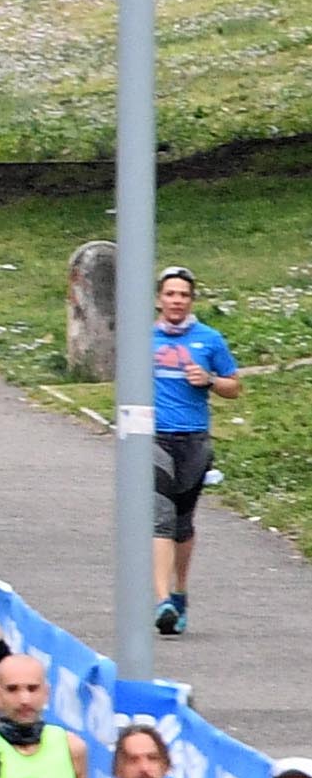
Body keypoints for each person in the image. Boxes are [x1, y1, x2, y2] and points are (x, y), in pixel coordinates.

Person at [146, 267, 244, 633]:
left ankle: (180, 591)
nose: (176, 301)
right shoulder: (143, 339)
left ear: (191, 301)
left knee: (182, 525)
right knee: (160, 519)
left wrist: (211, 380)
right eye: (170, 294)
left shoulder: (209, 339)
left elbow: (234, 387)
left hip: (195, 440)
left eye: (183, 295)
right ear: (159, 299)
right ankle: (161, 602)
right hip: (154, 439)